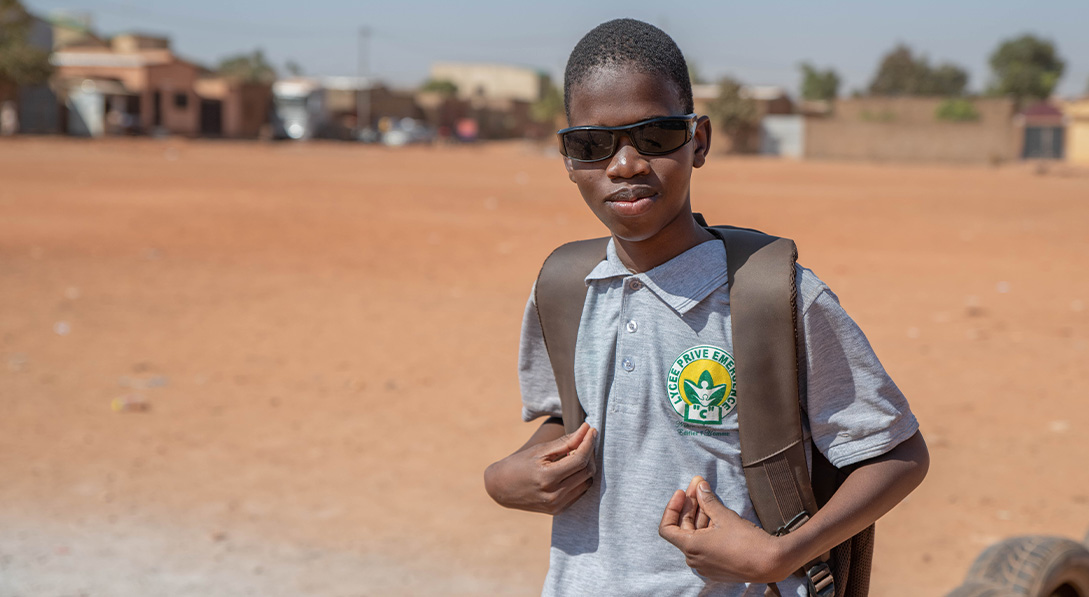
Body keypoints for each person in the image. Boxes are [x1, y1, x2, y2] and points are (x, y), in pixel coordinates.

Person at [483, 18, 929, 596]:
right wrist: (505, 477)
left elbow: (898, 452)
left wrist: (781, 555)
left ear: (700, 141)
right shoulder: (570, 288)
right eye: (593, 145)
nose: (626, 166)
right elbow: (578, 418)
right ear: (569, 158)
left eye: (657, 136)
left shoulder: (772, 298)